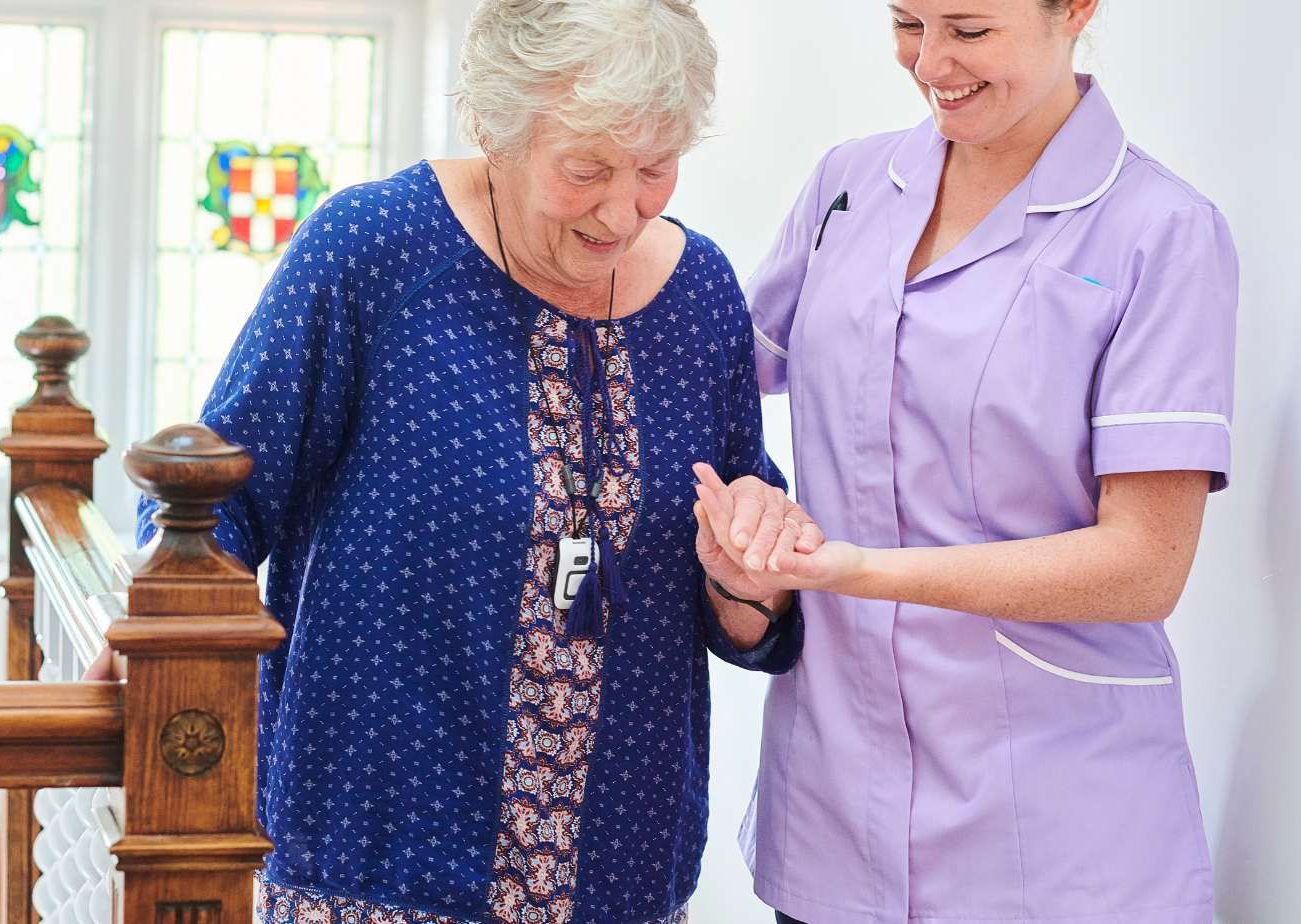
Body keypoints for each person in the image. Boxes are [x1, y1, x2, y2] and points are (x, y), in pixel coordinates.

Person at [108, 2, 816, 921]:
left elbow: (747, 592)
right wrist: (158, 627)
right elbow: (218, 504)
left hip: (623, 877)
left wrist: (751, 583)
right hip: (374, 867)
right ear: (495, 129)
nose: (622, 209)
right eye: (586, 169)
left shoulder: (701, 295)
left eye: (654, 169)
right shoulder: (375, 251)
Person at [696, 1, 1237, 921]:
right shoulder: (850, 186)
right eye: (907, 22)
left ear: (1075, 9)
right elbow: (709, 373)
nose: (930, 61)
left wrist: (862, 572)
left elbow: (1145, 567)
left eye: (969, 29)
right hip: (836, 815)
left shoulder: (1160, 230)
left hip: (1057, 838)